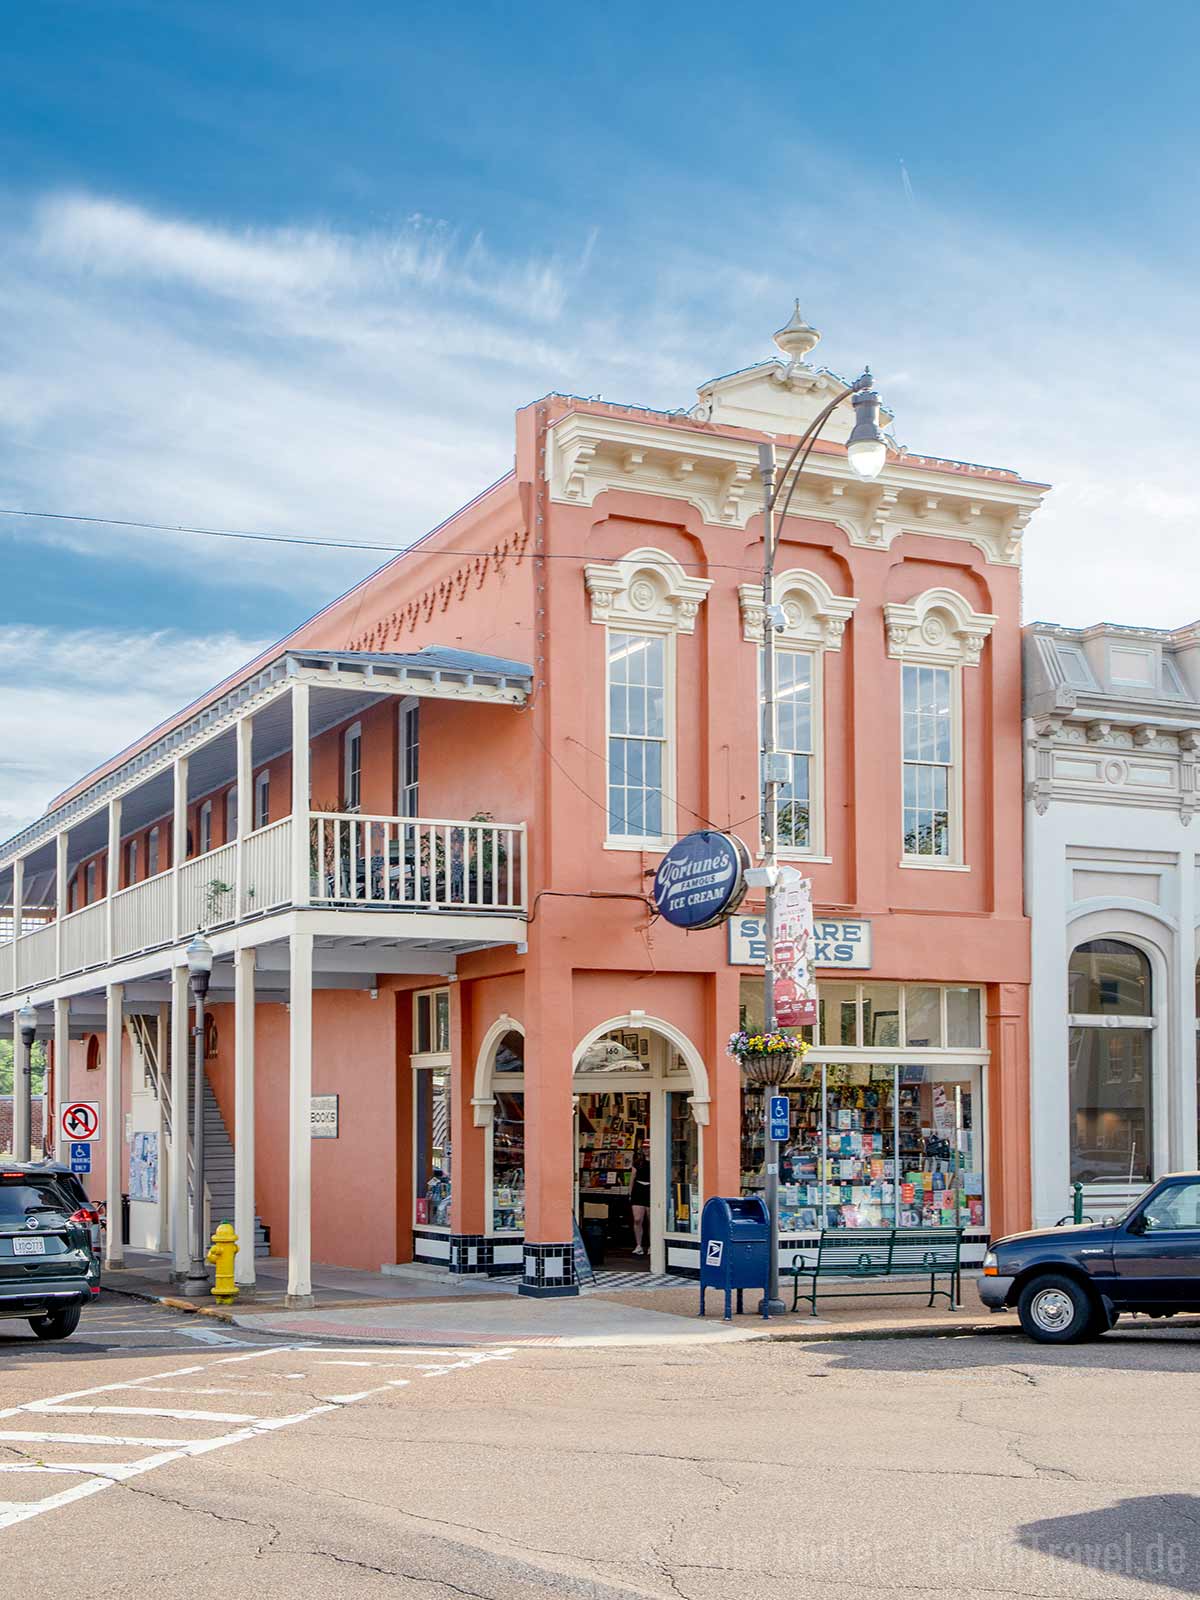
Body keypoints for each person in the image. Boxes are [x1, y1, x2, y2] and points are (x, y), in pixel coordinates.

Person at [629, 1140, 651, 1257]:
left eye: (648, 1148)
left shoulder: (657, 1162)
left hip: (651, 1190)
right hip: (638, 1191)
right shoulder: (637, 1162)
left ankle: (652, 1245)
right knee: (637, 1219)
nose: (646, 1150)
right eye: (644, 1148)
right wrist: (630, 1193)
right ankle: (639, 1245)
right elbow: (632, 1178)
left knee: (651, 1220)